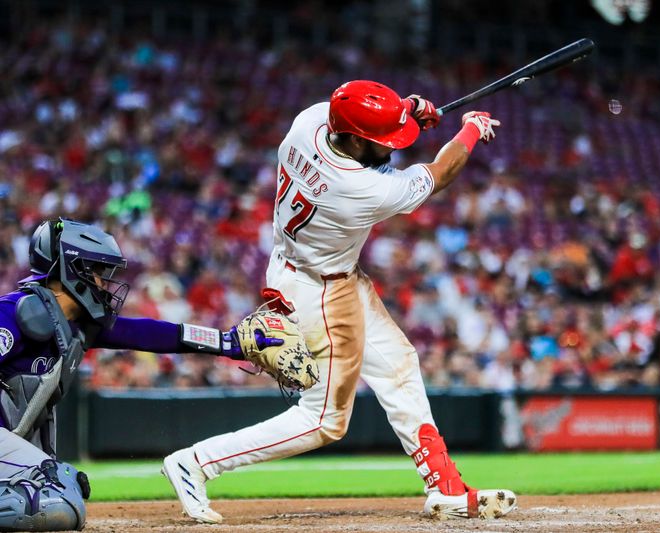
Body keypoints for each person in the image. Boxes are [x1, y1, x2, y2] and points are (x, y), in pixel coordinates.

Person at [162, 80, 517, 522]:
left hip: (304, 269)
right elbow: (439, 173)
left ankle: (443, 486)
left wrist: (406, 111)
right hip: (322, 292)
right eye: (380, 142)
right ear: (350, 138)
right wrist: (470, 130)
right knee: (325, 420)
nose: (389, 147)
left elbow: (369, 131)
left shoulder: (309, 121)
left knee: (398, 365)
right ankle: (196, 463)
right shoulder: (360, 190)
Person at [0, 218, 281, 531]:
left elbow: (150, 334)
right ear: (70, 269)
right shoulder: (13, 314)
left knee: (66, 490)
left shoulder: (74, 324)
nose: (104, 283)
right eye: (96, 271)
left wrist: (228, 343)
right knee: (58, 501)